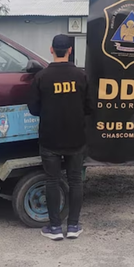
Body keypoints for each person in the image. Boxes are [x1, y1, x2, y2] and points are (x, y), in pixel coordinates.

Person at [27, 34, 92, 241]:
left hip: (50, 139)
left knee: (52, 181)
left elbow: (34, 109)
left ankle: (55, 228)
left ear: (51, 50)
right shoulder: (81, 76)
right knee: (75, 181)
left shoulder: (41, 77)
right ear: (70, 51)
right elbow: (90, 107)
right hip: (76, 139)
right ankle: (73, 226)